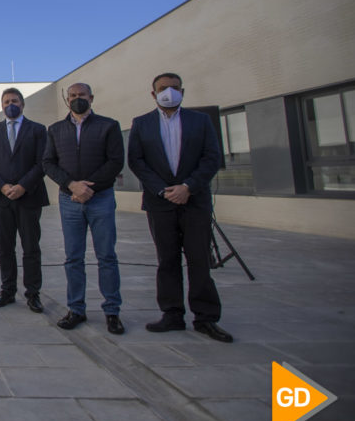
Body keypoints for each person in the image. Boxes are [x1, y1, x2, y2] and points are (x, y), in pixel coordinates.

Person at [127, 72, 232, 343]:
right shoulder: (142, 124)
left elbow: (211, 157)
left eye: (174, 88)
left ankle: (206, 317)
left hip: (194, 200)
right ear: (153, 94)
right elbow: (137, 162)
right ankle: (172, 314)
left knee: (199, 260)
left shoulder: (200, 121)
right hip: (159, 203)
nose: (169, 92)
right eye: (163, 88)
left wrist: (188, 187)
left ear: (182, 91)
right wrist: (163, 189)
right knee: (167, 260)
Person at [42, 83, 125, 334]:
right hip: (70, 200)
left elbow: (116, 161)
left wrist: (90, 188)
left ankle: (112, 311)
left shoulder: (108, 126)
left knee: (106, 256)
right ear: (67, 100)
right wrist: (71, 185)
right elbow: (48, 162)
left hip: (100, 198)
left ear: (92, 97)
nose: (78, 99)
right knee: (73, 257)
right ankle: (76, 308)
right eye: (73, 96)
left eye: (82, 95)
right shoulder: (56, 130)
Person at [0, 87, 49, 312]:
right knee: (5, 247)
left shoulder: (38, 130)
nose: (11, 104)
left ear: (22, 104)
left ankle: (33, 293)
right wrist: (3, 186)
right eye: (7, 101)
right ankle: (7, 290)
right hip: (1, 199)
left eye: (15, 101)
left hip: (29, 197)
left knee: (31, 247)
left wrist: (22, 186)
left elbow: (43, 162)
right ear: (1, 105)